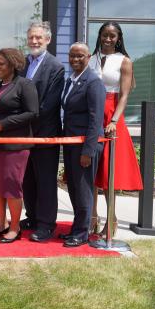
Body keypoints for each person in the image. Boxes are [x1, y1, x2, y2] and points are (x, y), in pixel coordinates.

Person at [89, 22, 143, 237]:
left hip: (111, 116)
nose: (108, 39)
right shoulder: (90, 59)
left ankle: (111, 219)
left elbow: (125, 95)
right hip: (91, 114)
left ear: (118, 38)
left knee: (108, 172)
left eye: (112, 35)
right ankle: (91, 218)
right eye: (105, 35)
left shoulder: (124, 61)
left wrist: (114, 120)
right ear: (100, 36)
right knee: (91, 169)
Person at [0, 48, 38, 243]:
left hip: (15, 146)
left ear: (13, 64)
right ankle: (1, 223)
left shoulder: (24, 85)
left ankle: (15, 227)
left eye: (2, 64)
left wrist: (1, 125)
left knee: (11, 187)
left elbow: (32, 113)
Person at [19, 21, 65, 242]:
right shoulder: (23, 63)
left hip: (45, 133)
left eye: (39, 37)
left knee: (45, 181)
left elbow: (49, 104)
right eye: (31, 38)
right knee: (27, 179)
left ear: (48, 39)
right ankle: (33, 217)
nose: (34, 41)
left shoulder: (55, 67)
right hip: (23, 133)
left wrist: (22, 120)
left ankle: (46, 225)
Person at [61, 42, 106, 247]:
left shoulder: (93, 82)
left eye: (80, 56)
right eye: (72, 56)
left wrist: (88, 151)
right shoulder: (71, 81)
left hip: (85, 145)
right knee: (73, 188)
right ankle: (76, 228)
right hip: (71, 143)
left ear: (88, 57)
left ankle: (82, 233)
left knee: (83, 189)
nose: (75, 59)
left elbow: (96, 120)